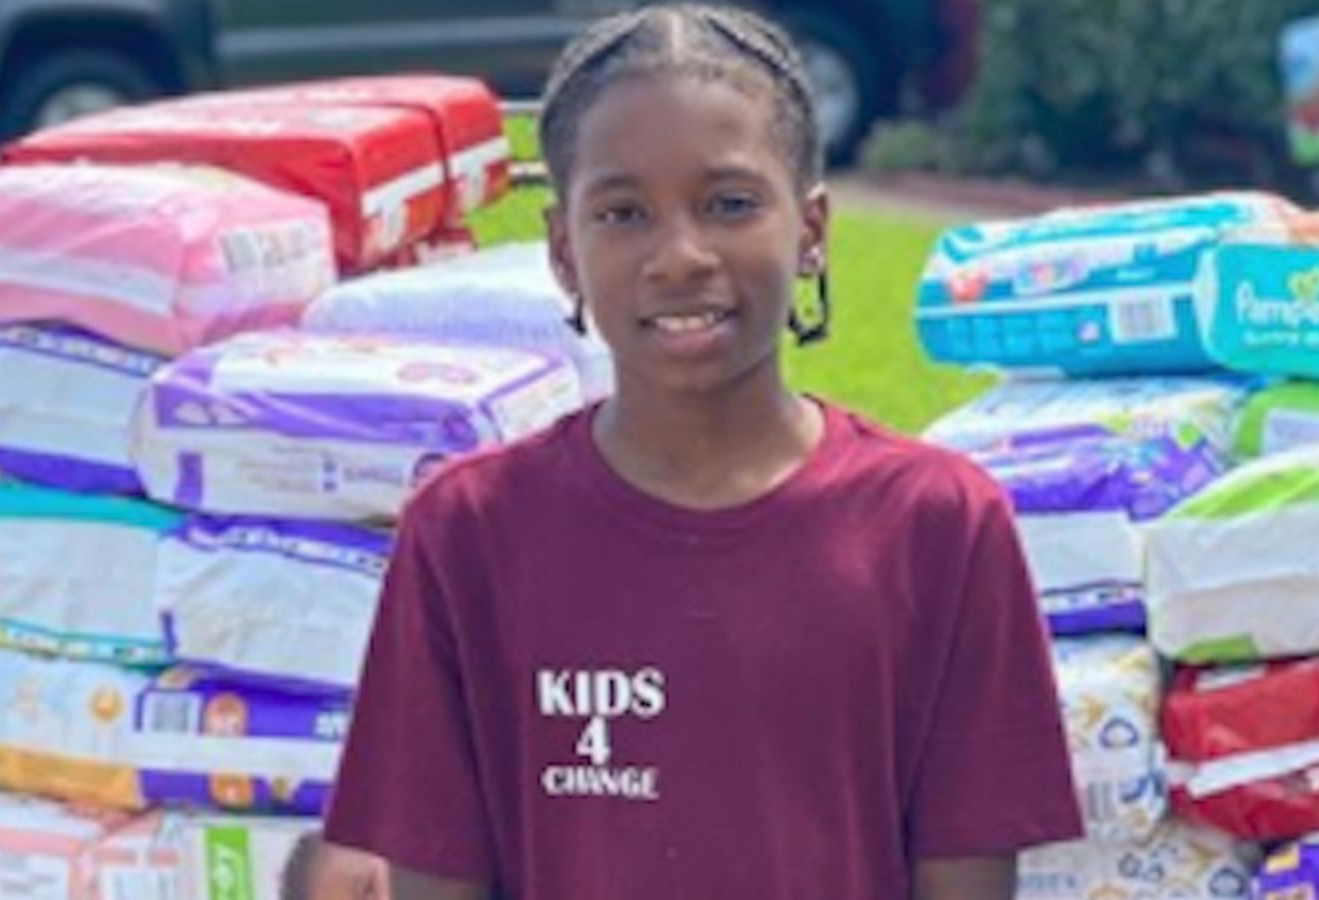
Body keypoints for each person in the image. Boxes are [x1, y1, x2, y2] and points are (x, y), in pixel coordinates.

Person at [323, 5, 1084, 899]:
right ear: (564, 252)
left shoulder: (938, 522)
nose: (679, 255)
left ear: (810, 232)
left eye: (728, 204)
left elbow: (966, 881)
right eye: (623, 212)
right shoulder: (467, 532)